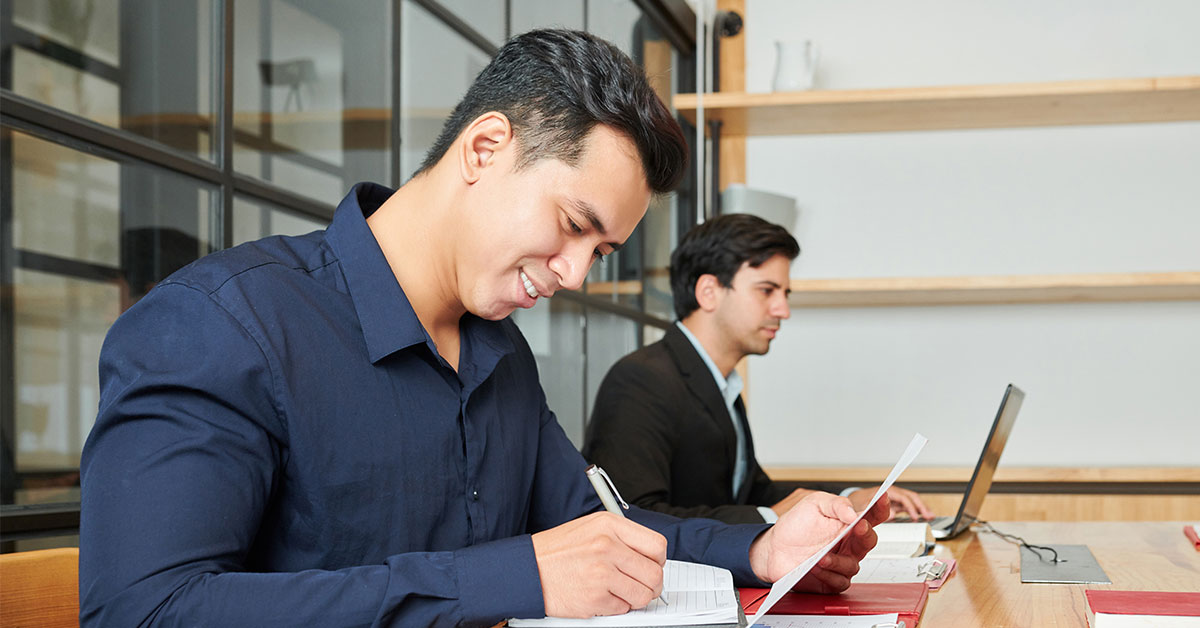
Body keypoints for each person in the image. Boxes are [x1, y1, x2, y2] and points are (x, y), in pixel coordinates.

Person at [79, 30, 888, 627]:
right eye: (573, 225)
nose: (575, 274)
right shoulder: (221, 323)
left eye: (599, 250)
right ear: (486, 146)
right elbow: (142, 612)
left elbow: (598, 529)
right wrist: (512, 578)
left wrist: (762, 550)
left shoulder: (500, 353)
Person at [583, 214, 933, 525]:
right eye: (767, 291)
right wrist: (772, 517)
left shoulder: (722, 384)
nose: (783, 309)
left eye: (785, 293)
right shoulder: (641, 380)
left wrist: (849, 497)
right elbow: (630, 516)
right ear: (709, 292)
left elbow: (753, 492)